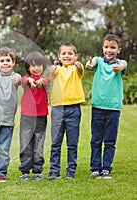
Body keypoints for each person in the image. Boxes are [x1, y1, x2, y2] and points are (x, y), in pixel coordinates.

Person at [85, 34, 127, 179]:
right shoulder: (98, 61)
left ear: (118, 50)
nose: (109, 50)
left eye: (113, 47)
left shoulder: (120, 63)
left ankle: (106, 168)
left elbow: (123, 66)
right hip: (98, 107)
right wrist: (89, 65)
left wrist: (120, 67)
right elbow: (92, 64)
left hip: (114, 109)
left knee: (110, 140)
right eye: (106, 47)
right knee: (96, 139)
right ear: (103, 48)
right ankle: (95, 168)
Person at [48, 42, 85, 180]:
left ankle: (71, 170)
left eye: (70, 53)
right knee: (56, 142)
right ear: (59, 56)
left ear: (76, 56)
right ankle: (54, 171)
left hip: (74, 109)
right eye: (64, 53)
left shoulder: (76, 69)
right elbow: (51, 73)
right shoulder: (56, 70)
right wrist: (51, 69)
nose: (67, 56)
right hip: (58, 109)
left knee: (72, 143)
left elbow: (81, 70)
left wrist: (80, 66)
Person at [0, 47, 22, 182]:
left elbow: (18, 79)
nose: (5, 63)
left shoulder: (15, 76)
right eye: (2, 61)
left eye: (8, 60)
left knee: (4, 149)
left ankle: (1, 172)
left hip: (8, 120)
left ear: (13, 63)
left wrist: (16, 80)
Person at [18, 51, 50, 182]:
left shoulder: (45, 80)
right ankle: (25, 171)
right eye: (33, 66)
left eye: (39, 65)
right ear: (28, 68)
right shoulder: (25, 79)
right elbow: (25, 80)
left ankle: (37, 170)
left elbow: (45, 81)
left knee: (38, 144)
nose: (36, 68)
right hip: (27, 117)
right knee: (25, 143)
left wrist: (40, 81)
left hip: (41, 116)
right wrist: (30, 80)